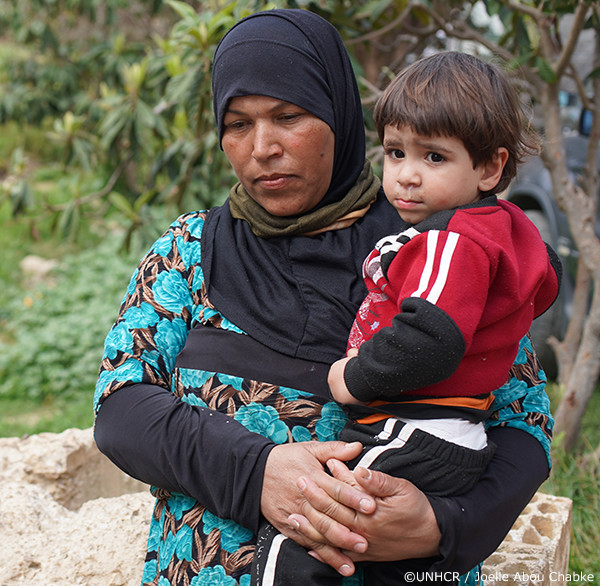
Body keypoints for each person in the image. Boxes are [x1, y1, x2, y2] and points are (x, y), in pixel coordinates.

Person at [93, 9, 556, 586]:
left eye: (288, 116)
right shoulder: (192, 251)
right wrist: (258, 473)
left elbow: (525, 423)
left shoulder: (437, 247)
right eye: (237, 124)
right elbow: (121, 408)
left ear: (337, 114)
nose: (262, 147)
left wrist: (443, 524)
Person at [251, 52, 562, 585]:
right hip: (454, 435)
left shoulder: (451, 240)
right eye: (395, 153)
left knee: (304, 532)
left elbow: (430, 336)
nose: (407, 177)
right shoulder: (504, 230)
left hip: (416, 427)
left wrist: (350, 379)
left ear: (490, 168)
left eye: (434, 158)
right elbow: (543, 282)